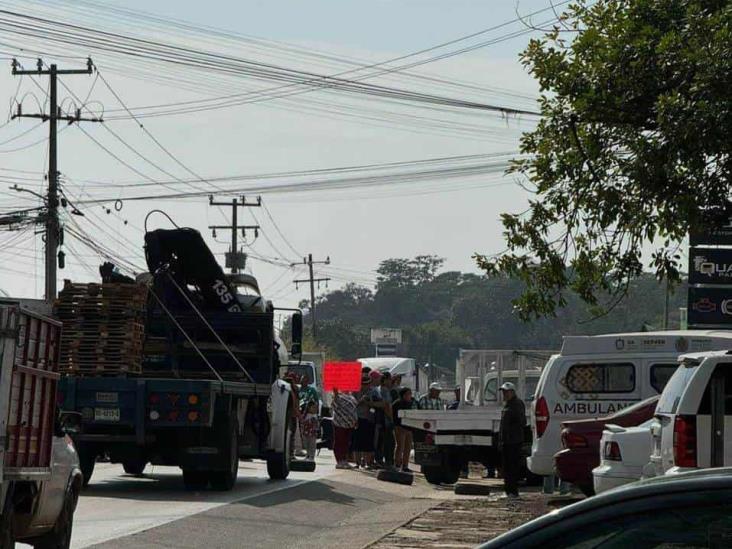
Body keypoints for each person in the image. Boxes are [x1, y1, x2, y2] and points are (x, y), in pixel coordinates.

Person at [498, 381, 526, 498]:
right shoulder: (507, 405)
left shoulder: (517, 404)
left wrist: (512, 433)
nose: (505, 394)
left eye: (507, 392)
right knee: (506, 468)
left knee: (512, 468)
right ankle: (508, 491)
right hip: (506, 441)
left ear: (512, 392)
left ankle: (513, 492)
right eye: (504, 392)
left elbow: (521, 422)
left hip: (514, 441)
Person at [353, 372, 378, 468]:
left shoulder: (373, 392)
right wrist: (361, 400)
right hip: (358, 418)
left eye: (367, 384)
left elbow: (377, 405)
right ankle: (357, 462)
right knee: (357, 442)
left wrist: (370, 403)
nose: (366, 386)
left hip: (369, 419)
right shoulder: (355, 392)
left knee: (368, 442)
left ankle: (368, 462)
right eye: (364, 384)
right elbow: (352, 405)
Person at [331, 388, 358, 469]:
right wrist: (335, 393)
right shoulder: (337, 396)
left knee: (347, 443)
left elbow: (354, 409)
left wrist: (356, 420)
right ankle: (339, 461)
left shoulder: (351, 397)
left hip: (350, 424)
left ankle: (345, 460)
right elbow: (334, 405)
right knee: (339, 442)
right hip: (340, 423)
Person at [392, 387, 415, 472]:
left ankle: (405, 466)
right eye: (408, 394)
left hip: (409, 428)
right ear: (404, 395)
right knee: (400, 446)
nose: (410, 396)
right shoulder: (397, 403)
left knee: (408, 447)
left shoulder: (411, 403)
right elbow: (394, 416)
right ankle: (397, 464)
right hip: (399, 427)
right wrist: (396, 427)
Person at [377, 372, 395, 468]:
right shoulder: (385, 390)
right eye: (390, 379)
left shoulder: (379, 389)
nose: (391, 381)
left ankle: (382, 460)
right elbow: (386, 405)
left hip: (382, 420)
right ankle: (389, 462)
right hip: (386, 420)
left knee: (382, 442)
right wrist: (391, 418)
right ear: (386, 380)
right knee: (389, 442)